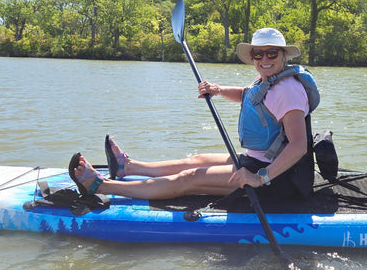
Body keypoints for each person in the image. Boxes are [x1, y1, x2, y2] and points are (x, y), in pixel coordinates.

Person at [68, 27, 320, 201]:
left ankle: (101, 186)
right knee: (197, 159)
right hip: (259, 159)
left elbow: (298, 146)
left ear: (284, 55)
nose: (264, 58)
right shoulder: (267, 79)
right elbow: (246, 95)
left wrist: (259, 178)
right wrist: (218, 90)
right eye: (258, 53)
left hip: (280, 177)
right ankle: (128, 167)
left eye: (271, 53)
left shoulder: (288, 89)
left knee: (189, 178)